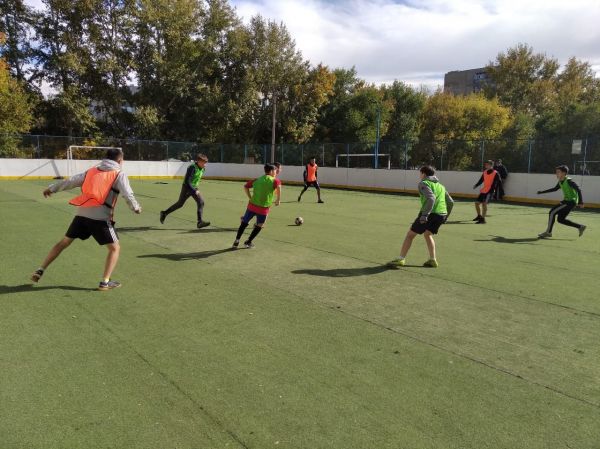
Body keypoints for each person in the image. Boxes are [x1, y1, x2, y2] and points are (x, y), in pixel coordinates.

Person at [30, 148, 141, 291]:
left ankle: (40, 269)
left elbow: (70, 181)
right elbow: (128, 194)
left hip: (82, 215)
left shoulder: (91, 171)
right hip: (100, 218)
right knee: (115, 249)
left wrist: (52, 188)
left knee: (64, 242)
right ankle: (105, 282)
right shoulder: (119, 174)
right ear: (120, 161)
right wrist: (135, 207)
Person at [387, 165, 454, 269]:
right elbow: (450, 202)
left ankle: (401, 259)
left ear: (424, 174)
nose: (419, 175)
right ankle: (433, 260)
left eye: (420, 173)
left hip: (430, 214)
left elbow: (431, 198)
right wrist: (446, 217)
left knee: (410, 235)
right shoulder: (441, 186)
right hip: (441, 214)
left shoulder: (423, 183)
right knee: (428, 234)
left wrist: (425, 215)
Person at [232, 164, 282, 249]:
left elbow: (245, 187)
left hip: (252, 206)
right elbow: (279, 187)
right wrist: (278, 199)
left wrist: (250, 197)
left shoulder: (257, 180)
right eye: (275, 170)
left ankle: (236, 241)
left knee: (244, 223)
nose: (276, 172)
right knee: (260, 224)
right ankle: (248, 242)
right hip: (263, 208)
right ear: (271, 171)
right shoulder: (275, 180)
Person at [160, 154, 210, 228]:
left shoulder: (203, 168)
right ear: (199, 161)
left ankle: (200, 222)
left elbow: (195, 179)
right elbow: (187, 181)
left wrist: (195, 188)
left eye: (206, 162)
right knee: (180, 204)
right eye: (204, 162)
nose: (205, 164)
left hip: (194, 187)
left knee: (201, 202)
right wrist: (194, 190)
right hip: (187, 188)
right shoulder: (192, 168)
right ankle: (164, 213)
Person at [537, 165, 586, 238]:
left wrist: (581, 202)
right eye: (556, 172)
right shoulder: (560, 181)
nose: (556, 174)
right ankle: (580, 227)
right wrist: (542, 192)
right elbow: (555, 189)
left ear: (564, 173)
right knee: (560, 219)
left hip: (570, 202)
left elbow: (578, 189)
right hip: (567, 201)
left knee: (552, 212)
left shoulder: (569, 181)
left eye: (558, 172)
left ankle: (548, 232)